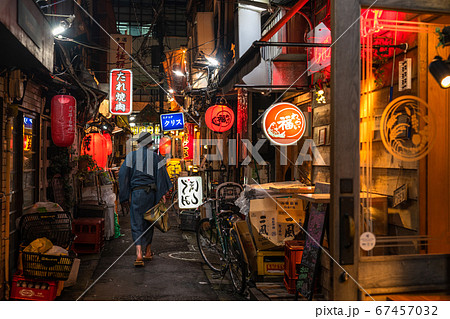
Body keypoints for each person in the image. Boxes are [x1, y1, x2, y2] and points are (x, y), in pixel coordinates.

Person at [119, 132, 173, 267]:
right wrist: (162, 195)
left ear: (138, 143)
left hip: (136, 194)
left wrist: (124, 197)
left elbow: (123, 175)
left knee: (136, 223)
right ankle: (148, 252)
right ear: (150, 143)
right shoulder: (156, 157)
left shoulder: (131, 156)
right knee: (150, 221)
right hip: (151, 194)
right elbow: (162, 176)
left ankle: (138, 254)